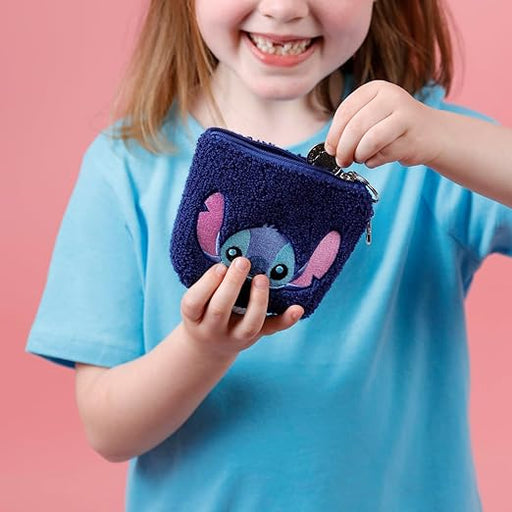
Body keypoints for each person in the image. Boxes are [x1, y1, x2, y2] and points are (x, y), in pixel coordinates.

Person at [26, 0, 512, 510]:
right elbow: (108, 430)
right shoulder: (126, 166)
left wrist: (443, 137)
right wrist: (201, 350)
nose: (283, 9)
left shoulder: (427, 148)